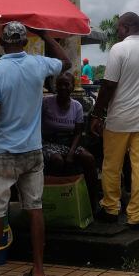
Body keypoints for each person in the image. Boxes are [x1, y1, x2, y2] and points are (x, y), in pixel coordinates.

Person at [0, 22, 71, 276]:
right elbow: (66, 61)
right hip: (33, 152)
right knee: (34, 208)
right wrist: (45, 33)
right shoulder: (38, 64)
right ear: (24, 42)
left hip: (3, 153)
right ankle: (38, 272)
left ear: (1, 43)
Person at [89, 12, 139, 230]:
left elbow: (108, 85)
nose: (117, 33)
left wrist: (96, 114)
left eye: (118, 29)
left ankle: (111, 209)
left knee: (112, 166)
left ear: (124, 27)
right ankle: (136, 215)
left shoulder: (119, 49)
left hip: (119, 120)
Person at [41, 73, 99, 212]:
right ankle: (53, 201)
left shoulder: (76, 106)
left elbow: (78, 132)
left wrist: (71, 153)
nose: (63, 87)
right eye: (60, 84)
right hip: (49, 141)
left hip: (69, 143)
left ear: (72, 87)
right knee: (57, 160)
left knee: (89, 159)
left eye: (66, 84)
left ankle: (93, 202)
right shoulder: (46, 102)